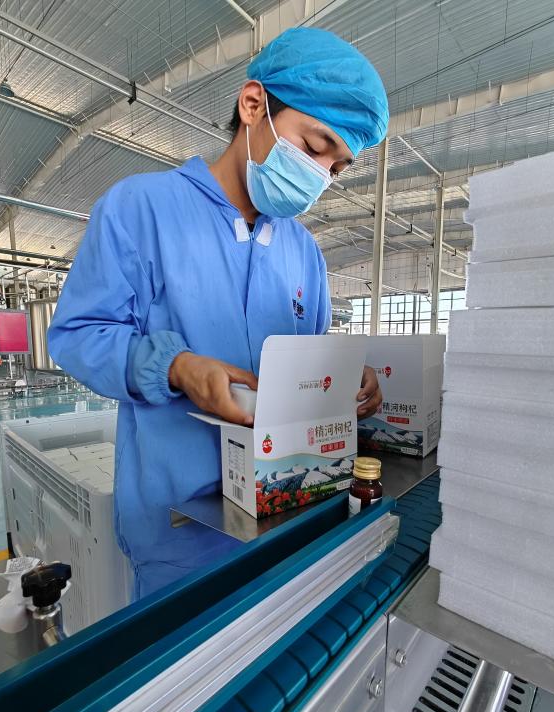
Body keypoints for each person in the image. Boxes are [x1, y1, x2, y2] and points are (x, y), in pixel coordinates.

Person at [48, 28, 389, 600]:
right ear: (253, 105)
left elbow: (310, 365)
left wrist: (346, 382)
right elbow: (78, 335)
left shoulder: (303, 251)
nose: (319, 178)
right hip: (179, 532)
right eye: (314, 147)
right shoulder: (140, 209)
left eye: (336, 168)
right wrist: (177, 368)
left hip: (288, 512)